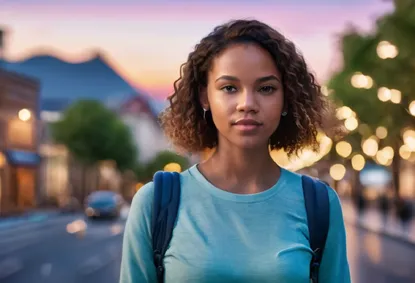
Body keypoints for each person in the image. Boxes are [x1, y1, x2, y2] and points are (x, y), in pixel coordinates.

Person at [119, 19, 350, 283]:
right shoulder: (155, 202)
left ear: (287, 99)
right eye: (229, 88)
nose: (247, 104)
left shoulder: (319, 204)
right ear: (205, 97)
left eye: (266, 88)